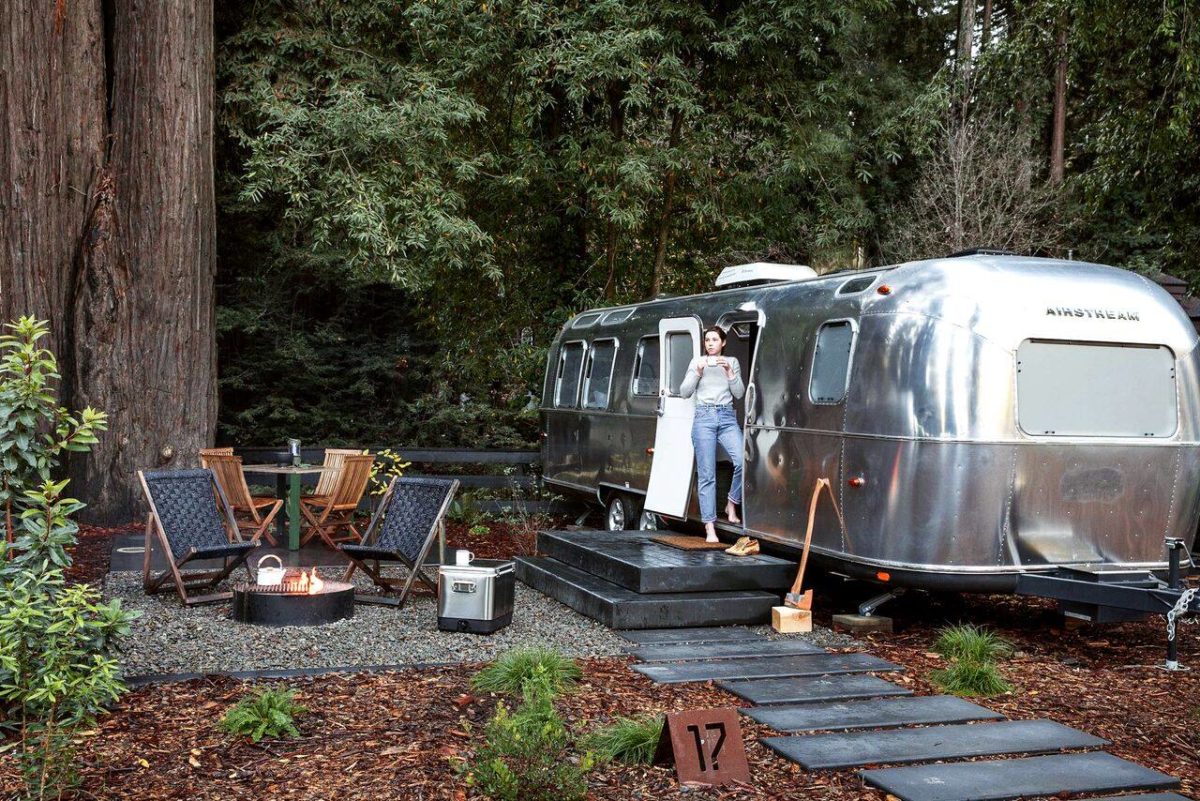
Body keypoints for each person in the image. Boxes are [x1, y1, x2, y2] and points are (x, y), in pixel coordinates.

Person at [679, 325, 745, 542]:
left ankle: (731, 502)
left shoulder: (732, 361)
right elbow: (684, 392)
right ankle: (709, 527)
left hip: (726, 417)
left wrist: (729, 372)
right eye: (707, 340)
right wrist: (697, 372)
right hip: (704, 418)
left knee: (743, 461)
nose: (710, 343)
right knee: (707, 474)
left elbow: (739, 393)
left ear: (723, 343)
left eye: (715, 340)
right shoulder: (697, 362)